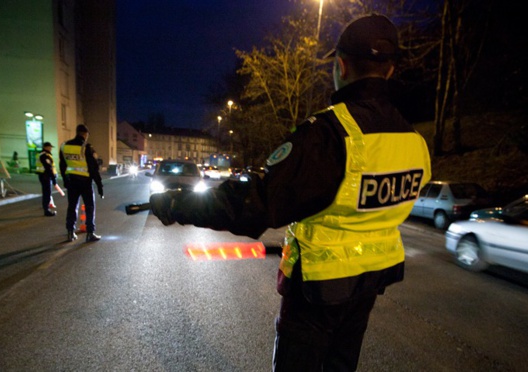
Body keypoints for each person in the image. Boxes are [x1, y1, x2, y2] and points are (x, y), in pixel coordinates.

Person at [149, 13, 432, 371]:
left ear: (340, 67)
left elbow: (257, 204)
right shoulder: (414, 141)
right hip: (368, 285)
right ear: (390, 71)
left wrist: (177, 203)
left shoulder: (329, 135)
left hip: (317, 292)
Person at [59, 124, 104, 242]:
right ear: (85, 134)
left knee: (72, 207)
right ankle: (90, 233)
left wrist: (65, 180)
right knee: (89, 207)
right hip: (85, 182)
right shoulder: (86, 148)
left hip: (71, 181)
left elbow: (62, 165)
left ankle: (70, 232)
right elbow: (94, 168)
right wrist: (99, 186)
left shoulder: (65, 146)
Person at [35, 142, 57, 217]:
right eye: (49, 147)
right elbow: (49, 167)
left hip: (43, 175)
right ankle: (46, 210)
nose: (51, 148)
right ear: (45, 147)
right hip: (46, 176)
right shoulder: (44, 155)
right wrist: (53, 178)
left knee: (46, 193)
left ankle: (45, 207)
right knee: (47, 193)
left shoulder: (41, 154)